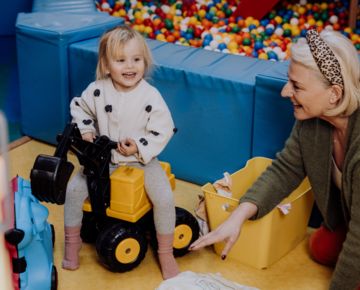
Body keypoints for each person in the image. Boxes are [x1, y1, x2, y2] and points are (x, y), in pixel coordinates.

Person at [190, 28, 360, 290]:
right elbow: (285, 169)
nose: (284, 92)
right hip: (350, 220)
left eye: (297, 86)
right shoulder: (313, 121)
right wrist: (237, 217)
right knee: (322, 249)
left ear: (334, 94)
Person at [62, 25, 179, 280]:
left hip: (140, 162)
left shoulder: (150, 95)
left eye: (136, 60)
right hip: (102, 160)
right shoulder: (97, 89)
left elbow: (164, 128)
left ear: (144, 62)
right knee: (73, 191)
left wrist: (138, 145)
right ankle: (71, 243)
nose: (130, 66)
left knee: (164, 199)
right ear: (106, 65)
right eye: (121, 60)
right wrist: (86, 130)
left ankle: (166, 251)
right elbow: (79, 108)